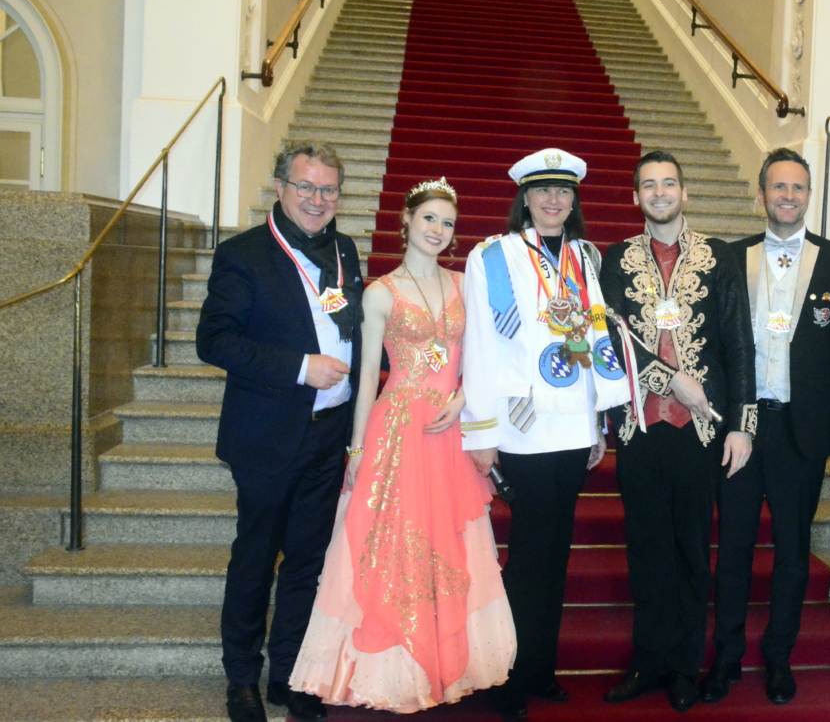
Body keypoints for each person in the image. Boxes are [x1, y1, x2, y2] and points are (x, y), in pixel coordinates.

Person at [289, 178, 516, 711]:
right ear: (406, 222)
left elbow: (489, 359)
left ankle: (446, 657)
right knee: (393, 543)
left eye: (447, 223)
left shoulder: (466, 286)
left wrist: (463, 400)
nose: (438, 230)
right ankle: (391, 668)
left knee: (451, 543)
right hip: (396, 433)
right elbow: (367, 376)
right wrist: (357, 449)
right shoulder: (379, 292)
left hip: (450, 431)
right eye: (429, 219)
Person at [460, 148, 631, 721]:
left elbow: (596, 337)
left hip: (574, 425)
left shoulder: (586, 256)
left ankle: (540, 668)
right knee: (528, 557)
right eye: (542, 192)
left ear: (573, 200)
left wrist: (601, 421)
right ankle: (506, 673)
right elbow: (481, 345)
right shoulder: (495, 256)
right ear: (525, 198)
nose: (554, 201)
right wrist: (481, 431)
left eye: (563, 192)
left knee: (556, 555)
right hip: (524, 428)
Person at [197, 141, 364, 722]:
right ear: (279, 187)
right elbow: (215, 341)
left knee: (307, 563)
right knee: (255, 558)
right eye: (306, 188)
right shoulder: (243, 254)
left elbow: (353, 331)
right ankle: (241, 678)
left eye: (329, 190)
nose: (318, 200)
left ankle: (289, 675)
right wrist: (300, 367)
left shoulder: (344, 249)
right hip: (267, 435)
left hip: (328, 434)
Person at [701, 148, 830, 706]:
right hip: (741, 432)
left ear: (809, 196)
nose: (788, 196)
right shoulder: (730, 257)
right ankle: (726, 658)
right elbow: (718, 349)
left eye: (798, 188)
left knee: (794, 552)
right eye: (778, 187)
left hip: (804, 431)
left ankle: (778, 658)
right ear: (761, 194)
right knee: (736, 549)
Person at [599, 151, 755, 713]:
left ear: (684, 193)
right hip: (641, 428)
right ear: (635, 196)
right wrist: (670, 380)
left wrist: (742, 424)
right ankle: (648, 662)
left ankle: (685, 667)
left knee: (692, 549)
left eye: (669, 184)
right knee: (646, 549)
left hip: (703, 432)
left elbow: (740, 343)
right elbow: (611, 340)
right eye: (648, 185)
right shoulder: (614, 260)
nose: (659, 193)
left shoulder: (720, 257)